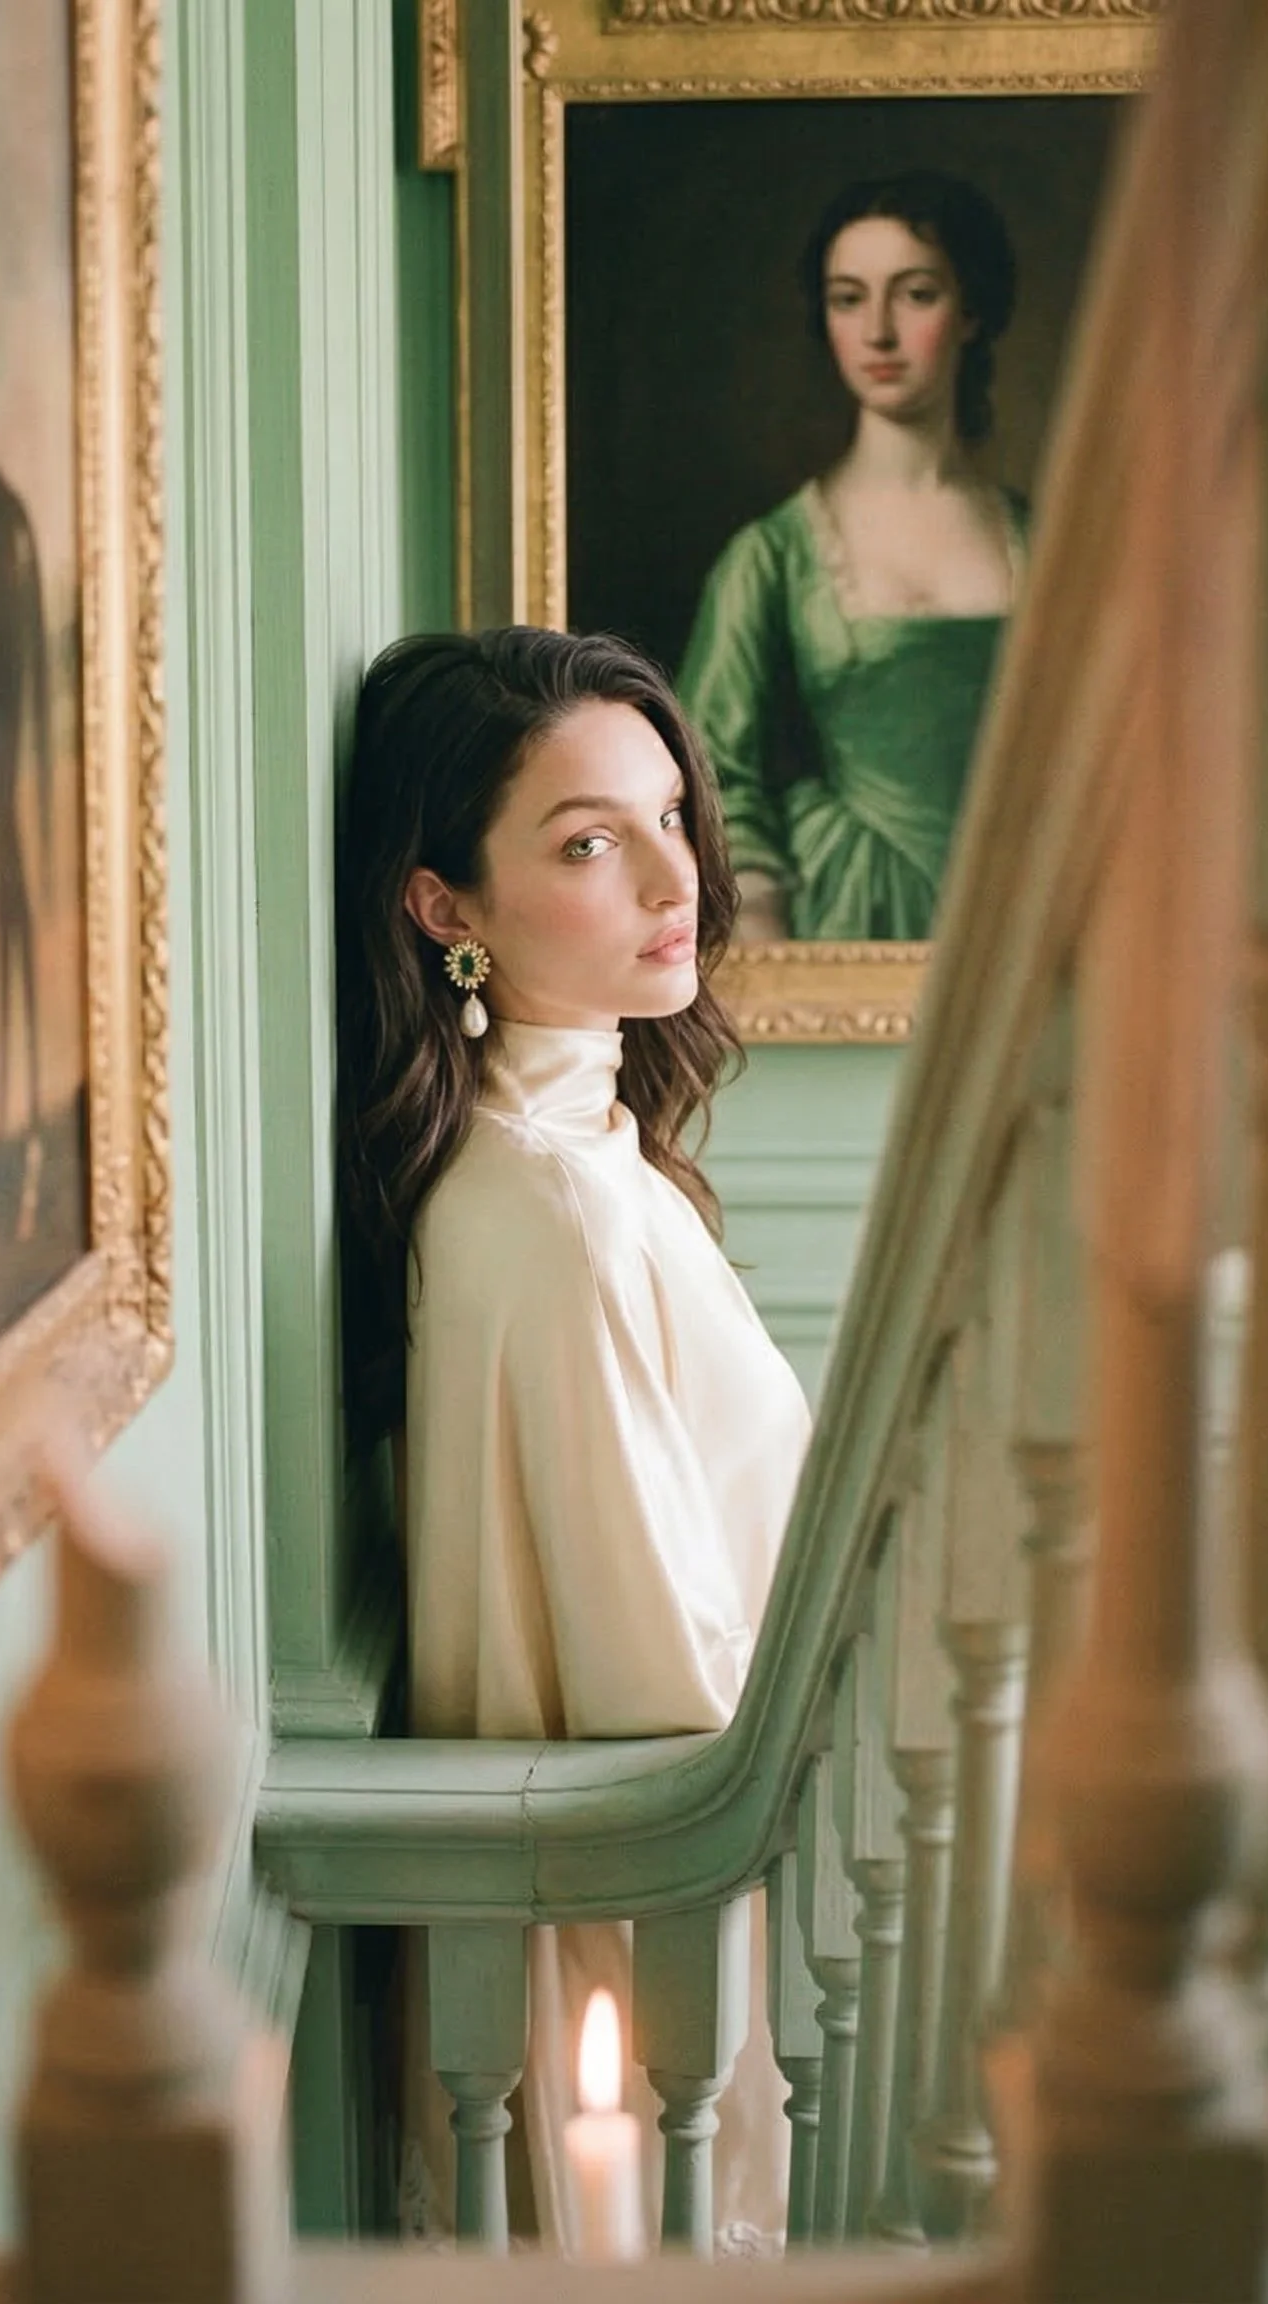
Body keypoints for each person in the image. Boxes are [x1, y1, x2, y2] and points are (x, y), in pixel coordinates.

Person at [337, 625, 813, 2250]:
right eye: (588, 842)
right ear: (442, 907)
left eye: (669, 813)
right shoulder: (544, 1209)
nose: (670, 874)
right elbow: (652, 1671)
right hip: (642, 1933)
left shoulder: (582, 1144)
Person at [679, 168, 1026, 944]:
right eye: (847, 298)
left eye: (915, 294)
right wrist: (762, 919)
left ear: (971, 311)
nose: (877, 332)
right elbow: (712, 768)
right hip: (847, 907)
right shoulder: (772, 556)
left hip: (1022, 910)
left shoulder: (1042, 545)